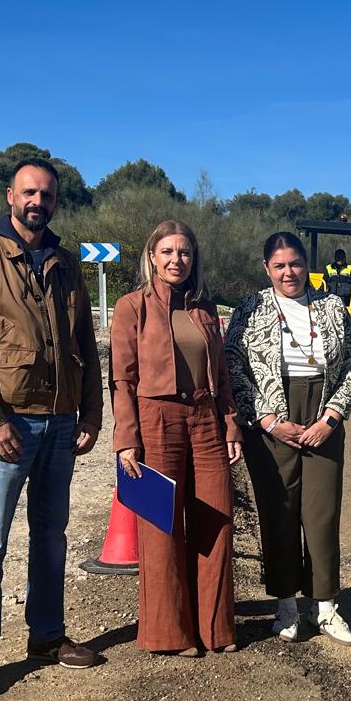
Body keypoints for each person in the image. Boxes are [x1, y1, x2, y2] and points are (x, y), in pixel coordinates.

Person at [0, 159, 104, 699]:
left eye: (48, 193)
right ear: (10, 195)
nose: (38, 200)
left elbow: (84, 345)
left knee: (51, 538)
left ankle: (47, 636)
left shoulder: (64, 261)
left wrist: (89, 413)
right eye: (29, 191)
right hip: (8, 426)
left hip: (60, 425)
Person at [111, 221, 244, 656]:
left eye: (184, 253)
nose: (176, 260)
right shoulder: (132, 307)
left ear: (193, 258)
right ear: (152, 256)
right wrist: (126, 438)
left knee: (216, 521)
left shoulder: (204, 310)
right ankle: (168, 634)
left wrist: (229, 424)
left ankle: (215, 628)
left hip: (205, 417)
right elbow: (122, 379)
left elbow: (221, 375)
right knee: (159, 527)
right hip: (155, 420)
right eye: (167, 252)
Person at [225, 231, 351, 645]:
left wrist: (332, 418)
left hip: (322, 416)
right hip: (271, 423)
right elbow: (232, 365)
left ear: (308, 265)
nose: (289, 272)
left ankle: (325, 607)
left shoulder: (332, 306)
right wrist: (265, 420)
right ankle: (286, 605)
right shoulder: (250, 308)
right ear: (267, 268)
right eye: (280, 265)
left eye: (296, 263)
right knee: (278, 511)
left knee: (321, 515)